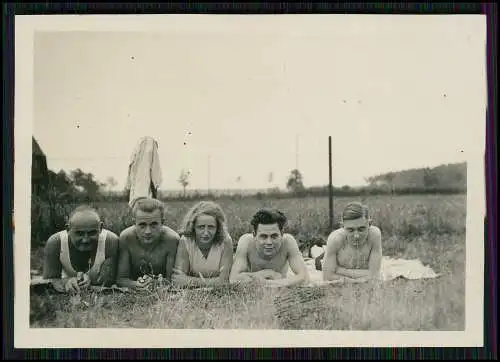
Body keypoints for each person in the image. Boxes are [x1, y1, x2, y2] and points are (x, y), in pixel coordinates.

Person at [42, 205, 119, 293]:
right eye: (79, 233)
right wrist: (67, 281)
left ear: (100, 228)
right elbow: (49, 280)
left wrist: (89, 280)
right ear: (68, 229)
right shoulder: (55, 242)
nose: (85, 240)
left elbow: (107, 281)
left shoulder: (110, 241)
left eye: (92, 233)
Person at [229, 208, 309, 287]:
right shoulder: (246, 242)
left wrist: (270, 283)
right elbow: (233, 279)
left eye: (274, 236)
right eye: (263, 236)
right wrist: (265, 273)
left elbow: (304, 277)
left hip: (278, 284)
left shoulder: (288, 241)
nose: (269, 242)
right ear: (254, 235)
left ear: (282, 234)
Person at [116, 198, 180, 291]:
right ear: (134, 223)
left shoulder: (172, 240)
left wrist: (155, 283)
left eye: (154, 225)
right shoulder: (126, 238)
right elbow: (121, 279)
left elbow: (172, 280)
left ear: (162, 222)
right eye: (142, 225)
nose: (148, 231)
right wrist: (136, 284)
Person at [172, 201, 234, 288]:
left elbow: (224, 281)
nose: (206, 233)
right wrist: (213, 282)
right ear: (193, 227)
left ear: (218, 228)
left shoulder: (226, 241)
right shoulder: (185, 241)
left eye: (211, 227)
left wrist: (189, 281)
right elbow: (177, 280)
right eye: (201, 227)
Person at [322, 201, 383, 283]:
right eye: (350, 230)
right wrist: (359, 280)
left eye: (361, 229)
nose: (356, 235)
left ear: (369, 224)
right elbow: (327, 276)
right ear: (343, 227)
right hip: (325, 255)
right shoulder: (335, 239)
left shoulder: (374, 235)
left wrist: (341, 271)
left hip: (340, 269)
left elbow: (374, 275)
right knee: (318, 256)